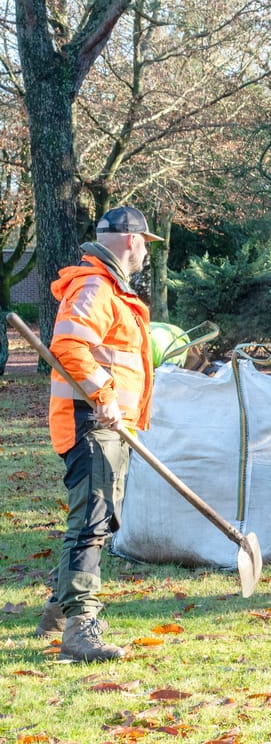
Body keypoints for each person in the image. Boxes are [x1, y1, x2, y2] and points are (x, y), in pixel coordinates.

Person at [35, 205, 162, 661]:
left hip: (109, 425)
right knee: (90, 524)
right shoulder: (94, 287)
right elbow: (68, 346)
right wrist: (103, 394)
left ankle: (57, 609)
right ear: (132, 240)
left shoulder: (112, 291)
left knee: (98, 521)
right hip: (92, 423)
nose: (147, 251)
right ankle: (80, 627)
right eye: (146, 242)